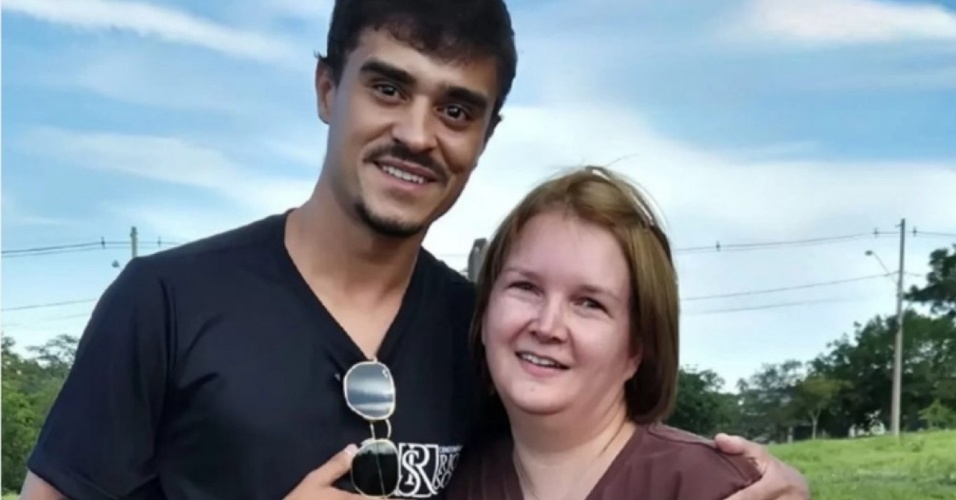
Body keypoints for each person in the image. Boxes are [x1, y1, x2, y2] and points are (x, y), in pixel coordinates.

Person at [19, 0, 810, 499]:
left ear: (486, 136)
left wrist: (758, 483)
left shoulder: (489, 338)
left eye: (457, 110)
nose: (417, 133)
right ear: (328, 88)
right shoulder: (167, 301)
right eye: (388, 87)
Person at [444, 166, 763, 499]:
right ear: (485, 313)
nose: (547, 326)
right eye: (526, 287)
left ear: (637, 348)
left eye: (589, 303)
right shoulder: (457, 483)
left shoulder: (712, 487)